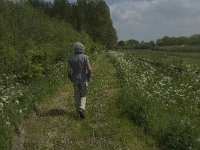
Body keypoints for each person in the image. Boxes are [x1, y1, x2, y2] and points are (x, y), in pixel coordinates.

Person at [67, 42, 92, 119]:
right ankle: (81, 108)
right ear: (82, 49)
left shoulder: (71, 57)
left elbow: (68, 70)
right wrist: (89, 76)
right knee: (83, 95)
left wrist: (70, 77)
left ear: (74, 49)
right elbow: (89, 69)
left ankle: (78, 111)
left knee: (77, 95)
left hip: (75, 79)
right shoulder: (85, 57)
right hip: (83, 79)